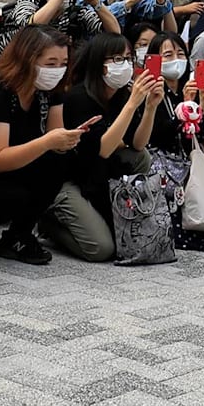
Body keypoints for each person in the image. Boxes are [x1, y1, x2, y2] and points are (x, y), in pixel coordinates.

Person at [0, 27, 92, 265]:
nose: (57, 70)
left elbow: (55, 138)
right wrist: (48, 142)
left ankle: (19, 235)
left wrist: (67, 139)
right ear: (27, 59)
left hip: (22, 166)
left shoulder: (49, 92)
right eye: (50, 63)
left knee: (59, 161)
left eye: (63, 63)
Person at [52, 34, 179, 259]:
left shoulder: (121, 95)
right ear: (99, 64)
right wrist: (132, 104)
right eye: (117, 59)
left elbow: (138, 144)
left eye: (129, 59)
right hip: (71, 178)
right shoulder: (79, 97)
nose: (126, 65)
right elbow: (102, 150)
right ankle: (51, 225)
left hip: (102, 174)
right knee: (101, 249)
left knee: (142, 157)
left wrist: (149, 107)